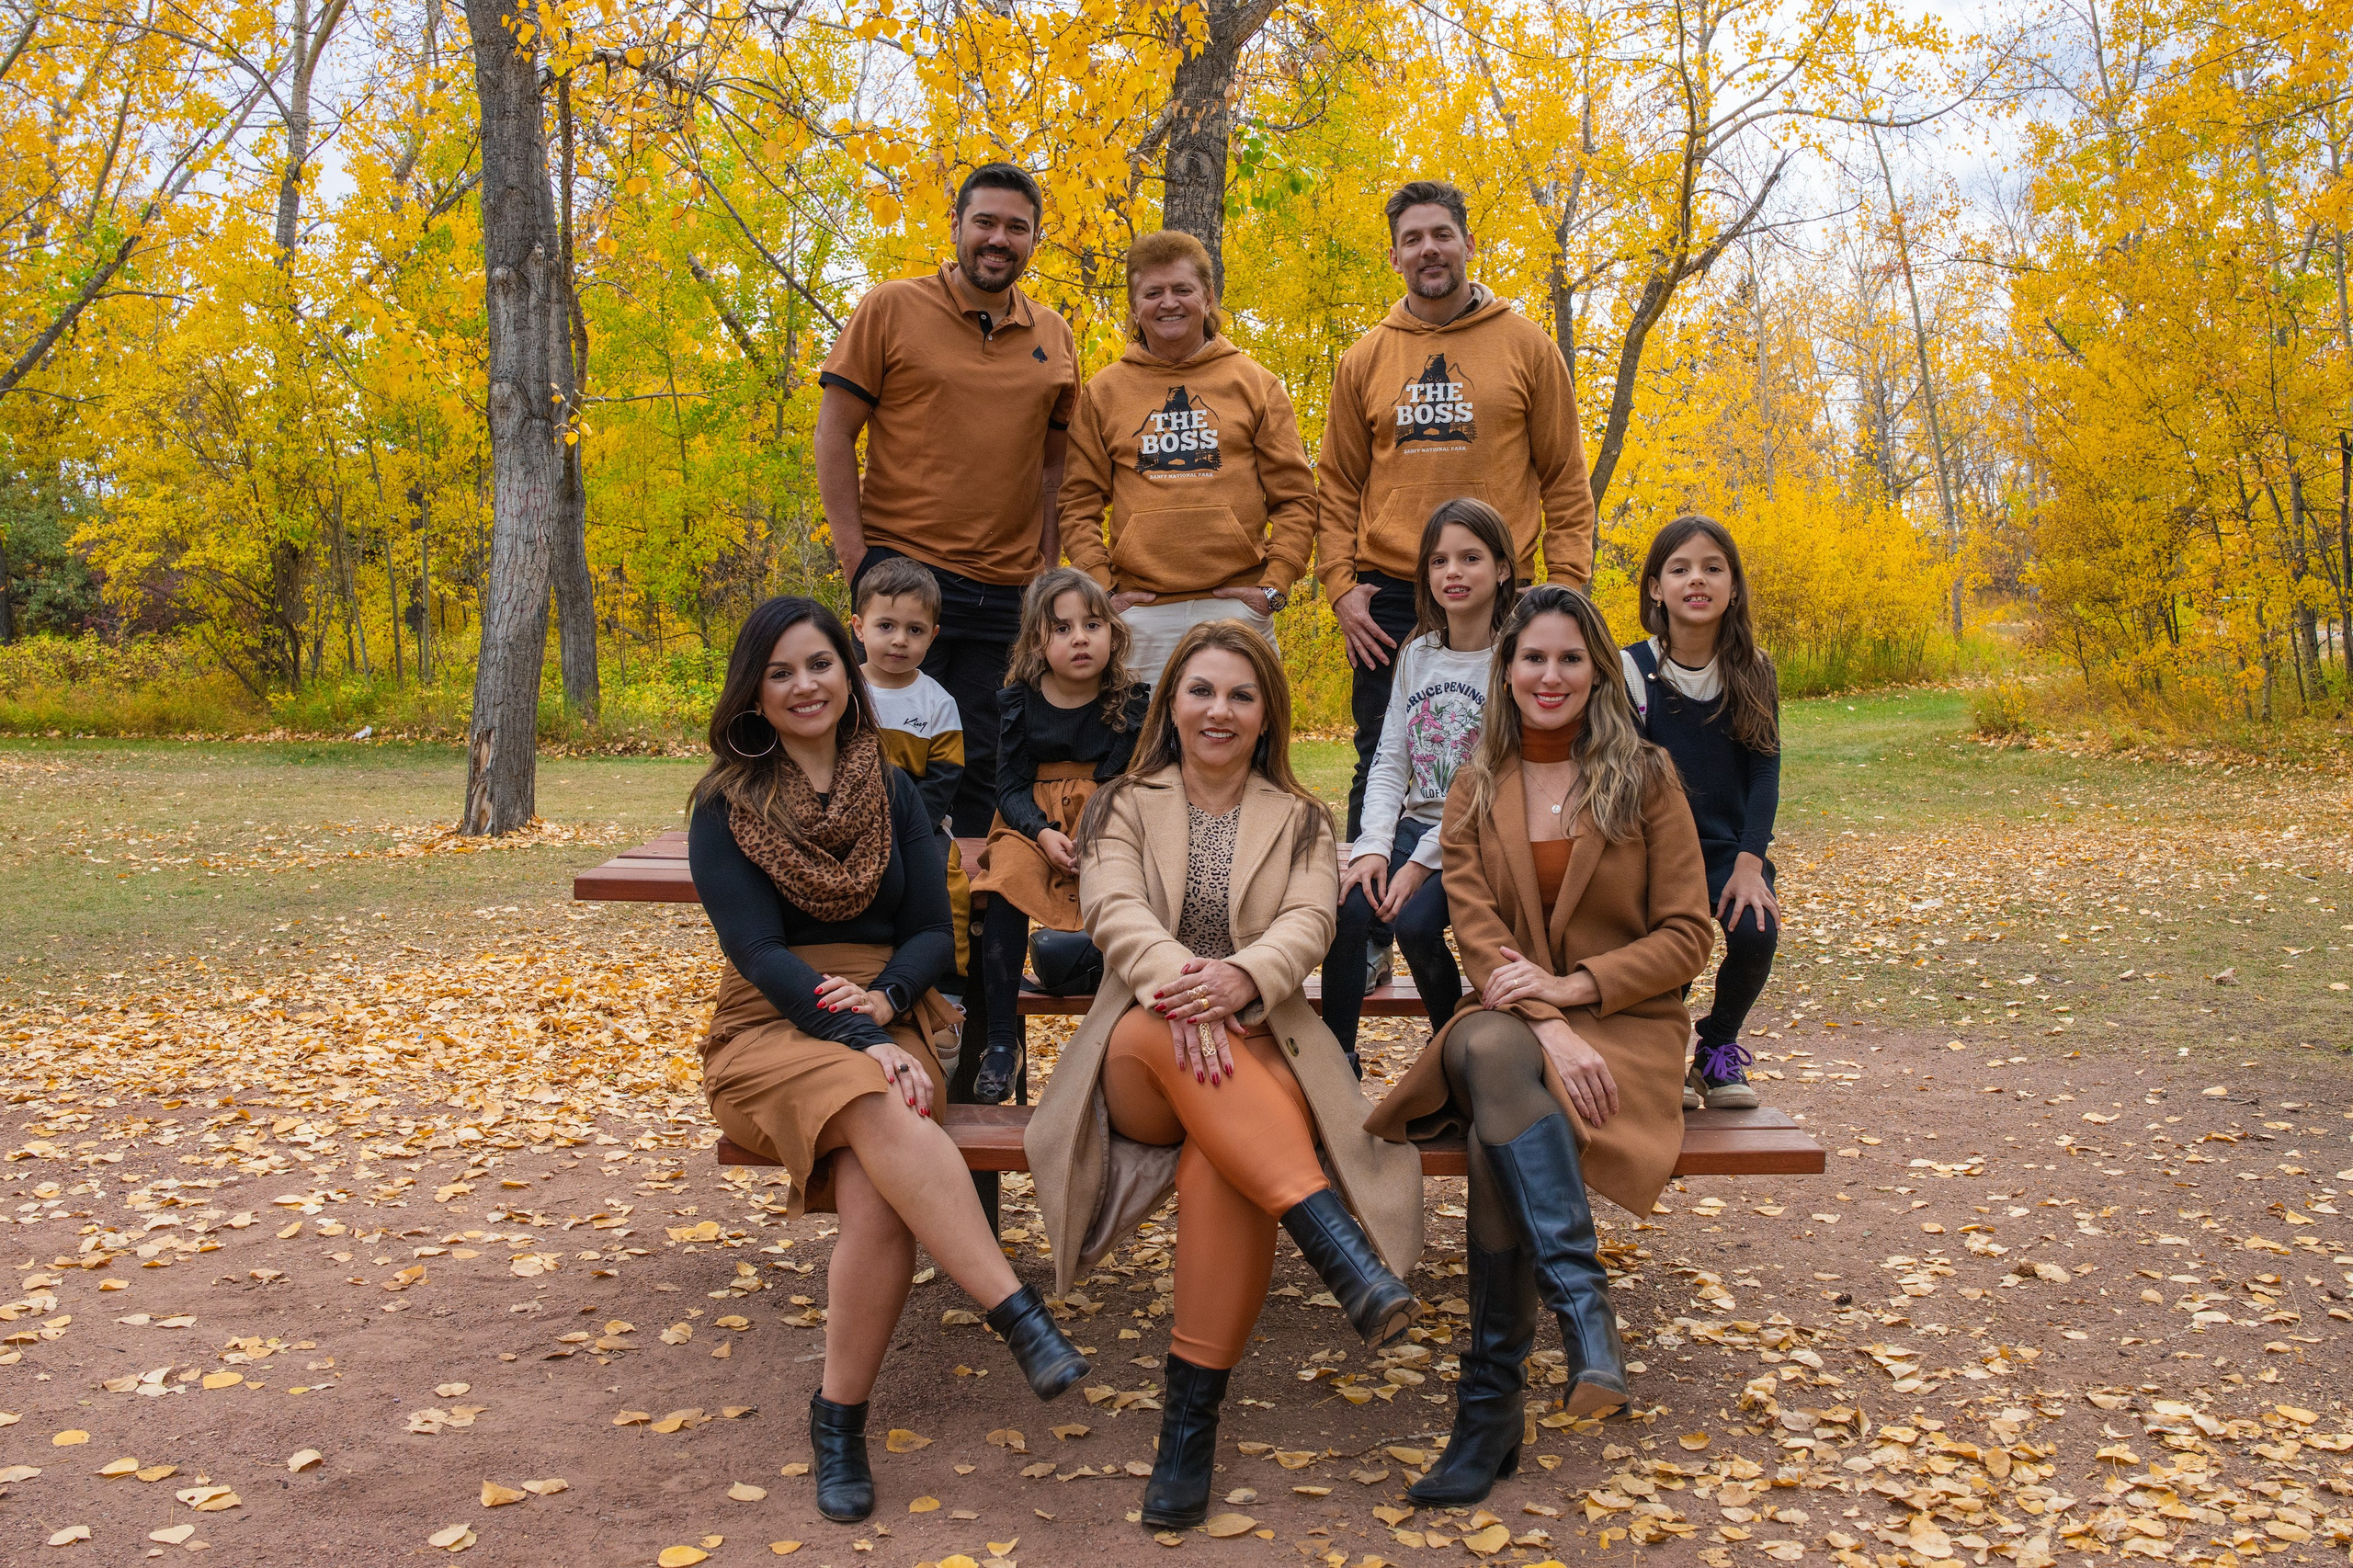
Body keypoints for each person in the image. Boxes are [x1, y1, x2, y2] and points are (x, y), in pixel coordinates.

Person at [687, 597, 1091, 1525]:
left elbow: (927, 936)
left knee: (878, 1195)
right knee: (881, 1098)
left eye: (819, 665)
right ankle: (1015, 1311)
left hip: (886, 1004)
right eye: (781, 670)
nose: (803, 685)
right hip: (772, 1024)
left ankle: (838, 1418)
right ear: (753, 687)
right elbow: (760, 954)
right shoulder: (725, 801)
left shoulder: (895, 789)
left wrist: (885, 1008)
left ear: (848, 673)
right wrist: (862, 1036)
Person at [1026, 619, 1425, 1531]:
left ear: (1264, 715)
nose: (1218, 709)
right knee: (1176, 1043)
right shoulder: (1123, 802)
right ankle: (1334, 1244)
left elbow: (1307, 925)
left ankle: (1187, 1427)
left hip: (1262, 1050)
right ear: (1171, 703)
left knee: (1223, 1166)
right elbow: (1112, 907)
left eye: (1240, 694)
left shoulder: (1300, 820)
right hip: (1138, 1054)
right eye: (1200, 689)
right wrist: (1188, 987)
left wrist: (1243, 977)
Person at [1366, 585, 1711, 1507]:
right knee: (1496, 1052)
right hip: (1513, 1017)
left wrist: (1574, 991)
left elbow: (1687, 934)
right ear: (1504, 671)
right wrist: (1549, 1021)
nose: (1548, 675)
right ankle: (1582, 1312)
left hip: (1624, 1025)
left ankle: (1489, 1406)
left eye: (1566, 657)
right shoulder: (1478, 784)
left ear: (1595, 665)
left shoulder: (1646, 776)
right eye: (1531, 659)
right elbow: (1476, 932)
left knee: (1493, 1126)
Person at [1314, 178, 1599, 846]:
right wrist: (1338, 588)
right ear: (1394, 257)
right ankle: (1372, 937)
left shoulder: (1527, 346)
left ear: (1469, 242)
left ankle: (1519, 927)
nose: (1428, 250)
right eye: (1412, 239)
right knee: (1380, 762)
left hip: (1509, 595)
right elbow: (1335, 484)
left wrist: (1567, 588)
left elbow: (1564, 476)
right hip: (1389, 600)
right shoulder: (1365, 359)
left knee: (1529, 754)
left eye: (1441, 234)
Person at [816, 162, 1078, 838]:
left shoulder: (1054, 335)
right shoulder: (891, 308)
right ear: (956, 226)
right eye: (984, 222)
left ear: (1033, 241)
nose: (998, 239)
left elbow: (1056, 465)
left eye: (1015, 228)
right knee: (885, 766)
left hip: (1007, 594)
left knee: (990, 770)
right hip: (905, 580)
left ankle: (979, 938)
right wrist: (858, 564)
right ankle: (884, 933)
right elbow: (834, 436)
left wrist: (1047, 565)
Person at [1058, 229, 1315, 685]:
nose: (1168, 303)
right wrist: (1104, 589)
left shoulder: (1254, 383)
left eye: (1182, 289)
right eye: (1152, 293)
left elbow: (1296, 497)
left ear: (1208, 296)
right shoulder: (1104, 393)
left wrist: (1275, 584)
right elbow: (1078, 505)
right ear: (1135, 307)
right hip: (1140, 614)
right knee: (1140, 752)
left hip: (1237, 609)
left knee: (1245, 749)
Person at [1321, 497, 1518, 1071]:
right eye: (1438, 562)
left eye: (1470, 558)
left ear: (1503, 569)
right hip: (1415, 823)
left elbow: (1496, 782)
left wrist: (1421, 864)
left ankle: (1449, 1049)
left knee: (1413, 921)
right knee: (1350, 908)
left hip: (1480, 833)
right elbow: (1389, 761)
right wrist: (1374, 847)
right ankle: (1337, 1065)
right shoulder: (1418, 653)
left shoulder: (1514, 660)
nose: (1452, 573)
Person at [968, 569, 1151, 1102]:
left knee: (1127, 885)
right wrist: (1043, 834)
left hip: (1107, 818)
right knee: (1003, 883)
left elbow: (1123, 781)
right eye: (1062, 628)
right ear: (1037, 642)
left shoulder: (1127, 699)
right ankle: (1001, 1042)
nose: (1079, 638)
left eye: (1092, 624)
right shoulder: (1019, 701)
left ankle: (1115, 1038)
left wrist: (1095, 830)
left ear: (1113, 634)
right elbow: (1009, 785)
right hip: (1029, 822)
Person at [1624, 515, 1781, 1111]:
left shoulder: (1752, 670)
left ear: (1733, 586)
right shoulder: (1631, 669)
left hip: (1726, 850)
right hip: (1655, 853)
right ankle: (1662, 1055)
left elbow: (1764, 772)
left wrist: (1749, 863)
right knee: (1672, 954)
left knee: (1756, 931)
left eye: (1713, 568)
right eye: (1680, 568)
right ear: (1656, 588)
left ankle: (1717, 1049)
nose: (1697, 579)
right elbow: (1624, 774)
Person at [852, 556, 972, 979]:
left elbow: (944, 778)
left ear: (933, 636)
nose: (899, 640)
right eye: (886, 626)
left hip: (920, 825)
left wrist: (906, 828)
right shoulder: (846, 692)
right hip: (845, 820)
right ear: (858, 627)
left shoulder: (937, 702)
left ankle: (947, 982)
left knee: (944, 882)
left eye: (915, 630)